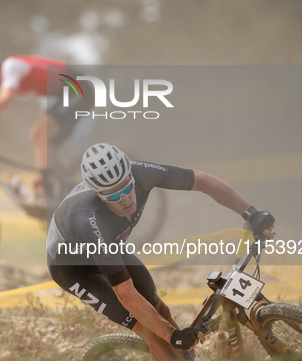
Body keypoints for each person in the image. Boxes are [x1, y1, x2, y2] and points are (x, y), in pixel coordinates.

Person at [46, 143, 275, 361]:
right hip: (72, 268)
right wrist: (171, 336)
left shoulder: (143, 173)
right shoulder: (89, 220)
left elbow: (202, 181)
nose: (125, 199)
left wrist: (251, 214)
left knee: (160, 310)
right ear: (98, 195)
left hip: (107, 246)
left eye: (127, 188)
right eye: (113, 195)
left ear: (131, 175)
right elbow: (125, 293)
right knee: (154, 333)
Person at [0, 43, 90, 195]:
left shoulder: (10, 67)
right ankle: (67, 190)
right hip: (67, 94)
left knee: (39, 133)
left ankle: (50, 197)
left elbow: (5, 101)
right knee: (49, 150)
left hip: (80, 88)